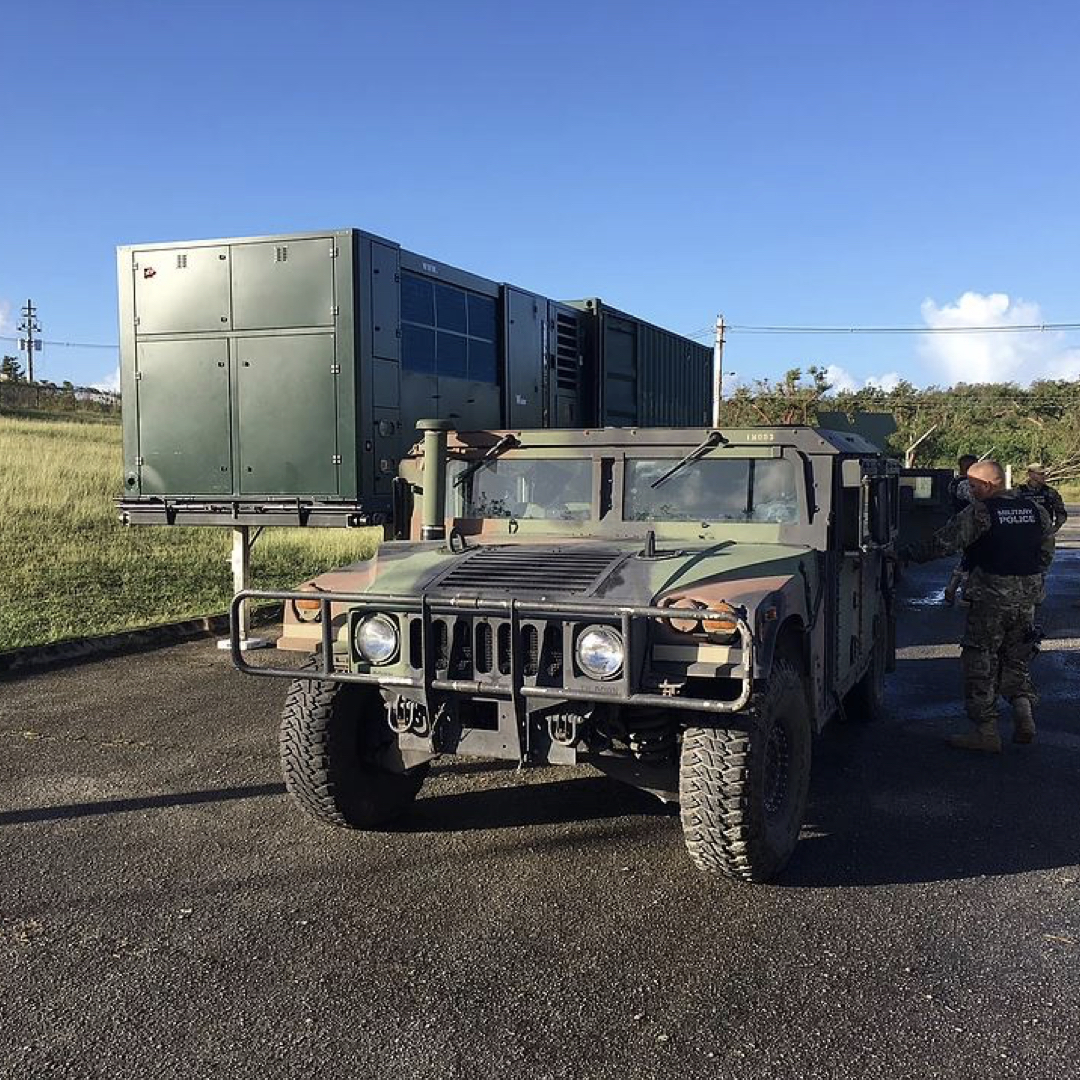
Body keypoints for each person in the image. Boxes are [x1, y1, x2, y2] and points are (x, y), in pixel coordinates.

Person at [901, 460, 1054, 752]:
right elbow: (1045, 554)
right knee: (1017, 657)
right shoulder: (1037, 510)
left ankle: (986, 731)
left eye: (973, 486)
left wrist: (904, 554)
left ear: (988, 485)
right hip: (1027, 600)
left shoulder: (981, 513)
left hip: (990, 600)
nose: (970, 491)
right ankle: (1024, 713)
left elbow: (943, 543)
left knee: (980, 661)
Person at [943, 454, 978, 604]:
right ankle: (963, 592)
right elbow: (977, 500)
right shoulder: (964, 484)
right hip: (968, 525)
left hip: (961, 523)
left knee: (967, 558)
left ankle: (952, 589)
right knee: (970, 560)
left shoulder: (955, 482)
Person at [1016, 463, 1068, 533]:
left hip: (1044, 534)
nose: (1044, 476)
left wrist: (1055, 528)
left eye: (1044, 474)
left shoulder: (1050, 492)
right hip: (1023, 534)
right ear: (1031, 475)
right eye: (1040, 474)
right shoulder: (1019, 492)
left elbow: (1061, 512)